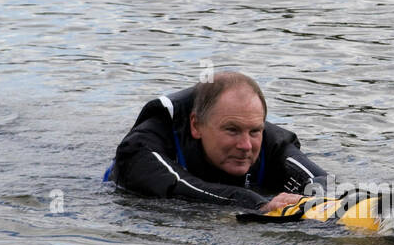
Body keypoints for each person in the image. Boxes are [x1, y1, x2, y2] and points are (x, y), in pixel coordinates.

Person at [107, 72, 330, 211]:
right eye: (231, 130)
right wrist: (259, 205)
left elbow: (322, 180)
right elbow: (180, 186)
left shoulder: (270, 142)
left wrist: (321, 201)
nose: (245, 145)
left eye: (254, 131)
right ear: (196, 125)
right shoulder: (141, 149)